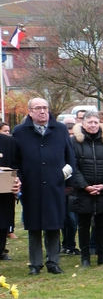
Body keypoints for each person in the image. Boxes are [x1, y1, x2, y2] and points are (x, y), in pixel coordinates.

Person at [12, 98, 75, 275]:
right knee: (34, 226)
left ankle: (53, 262)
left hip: (55, 186)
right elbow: (17, 161)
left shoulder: (61, 129)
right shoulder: (20, 132)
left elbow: (70, 158)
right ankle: (35, 264)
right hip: (32, 186)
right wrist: (18, 181)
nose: (42, 111)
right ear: (30, 111)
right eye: (38, 108)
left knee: (54, 225)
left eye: (45, 108)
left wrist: (67, 183)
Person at [69, 112, 103, 267]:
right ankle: (85, 257)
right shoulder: (74, 142)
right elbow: (73, 167)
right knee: (83, 225)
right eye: (90, 122)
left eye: (96, 122)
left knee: (101, 224)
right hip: (83, 191)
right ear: (83, 124)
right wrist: (85, 186)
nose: (93, 125)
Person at [0, 127, 20, 261]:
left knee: (2, 222)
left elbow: (16, 165)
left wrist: (17, 180)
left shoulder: (9, 142)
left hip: (3, 191)